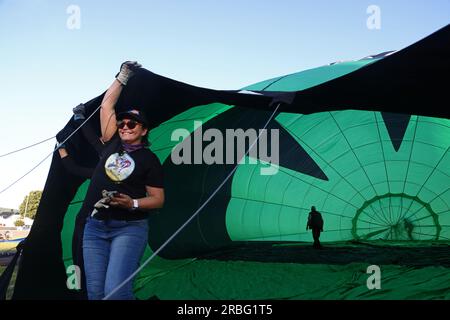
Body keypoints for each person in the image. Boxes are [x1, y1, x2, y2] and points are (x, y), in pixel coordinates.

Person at [78, 61, 165, 300]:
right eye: (122, 123)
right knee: (95, 294)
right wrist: (123, 75)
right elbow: (107, 104)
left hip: (128, 228)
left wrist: (132, 204)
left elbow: (158, 200)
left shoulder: (150, 159)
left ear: (144, 130)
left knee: (116, 293)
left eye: (132, 123)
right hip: (95, 228)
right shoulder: (112, 141)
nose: (125, 126)